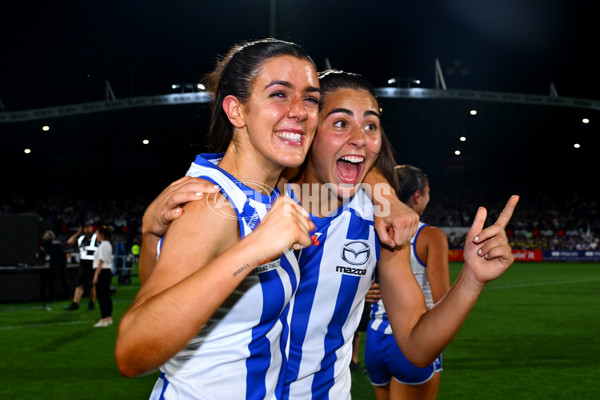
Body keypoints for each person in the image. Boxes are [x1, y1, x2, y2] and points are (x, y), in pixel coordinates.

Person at [139, 69, 518, 399]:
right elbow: (157, 307)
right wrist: (152, 235)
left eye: (371, 125)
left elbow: (418, 347)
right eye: (340, 122)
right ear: (304, 130)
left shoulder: (378, 220)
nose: (360, 138)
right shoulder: (246, 198)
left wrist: (471, 279)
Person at [115, 38, 321, 400]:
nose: (300, 111)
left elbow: (170, 290)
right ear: (236, 111)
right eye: (278, 94)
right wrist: (253, 249)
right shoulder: (214, 205)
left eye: (311, 98)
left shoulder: (261, 192)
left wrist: (151, 235)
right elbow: (132, 351)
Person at [364, 164, 450, 400]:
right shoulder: (431, 236)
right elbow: (442, 297)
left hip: (375, 339)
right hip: (414, 340)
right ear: (417, 195)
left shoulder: (375, 230)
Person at [65, 222, 97, 311]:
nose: (86, 229)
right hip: (83, 264)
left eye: (88, 227)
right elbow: (69, 241)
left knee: (91, 285)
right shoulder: (81, 238)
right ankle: (75, 303)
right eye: (85, 228)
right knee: (79, 284)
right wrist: (78, 233)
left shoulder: (96, 237)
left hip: (92, 264)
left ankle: (92, 303)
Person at [37, 230, 69, 309]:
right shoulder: (56, 243)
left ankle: (55, 296)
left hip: (57, 263)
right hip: (59, 262)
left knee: (54, 280)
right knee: (61, 279)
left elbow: (48, 254)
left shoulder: (50, 244)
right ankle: (64, 295)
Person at [92, 225, 115, 327]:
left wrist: (96, 275)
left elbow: (101, 261)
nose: (96, 236)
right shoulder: (108, 244)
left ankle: (104, 318)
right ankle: (108, 318)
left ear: (102, 235)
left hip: (102, 271)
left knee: (101, 296)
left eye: (97, 233)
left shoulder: (103, 245)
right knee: (106, 295)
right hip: (106, 271)